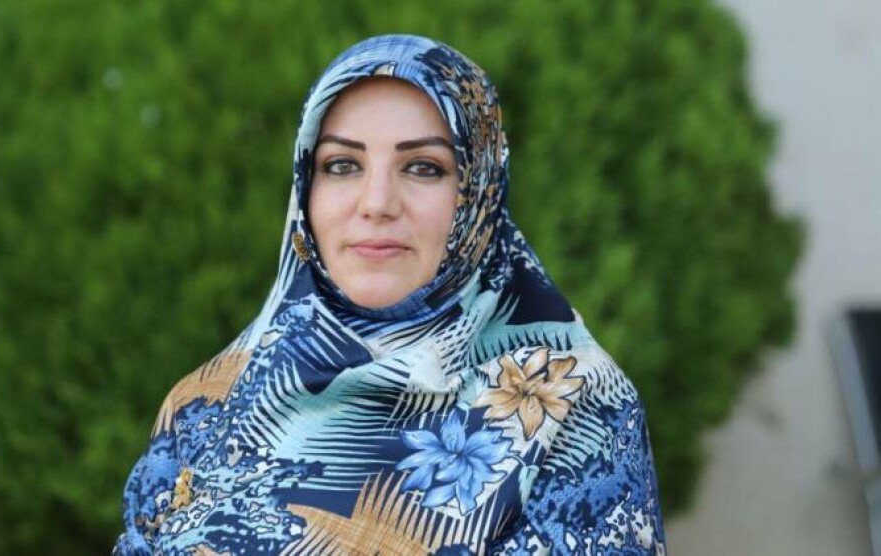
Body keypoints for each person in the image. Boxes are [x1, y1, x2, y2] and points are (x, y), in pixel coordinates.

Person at [113, 34, 666, 555]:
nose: (376, 202)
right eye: (342, 165)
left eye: (424, 168)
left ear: (479, 193)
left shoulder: (576, 405)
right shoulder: (205, 402)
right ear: (306, 190)